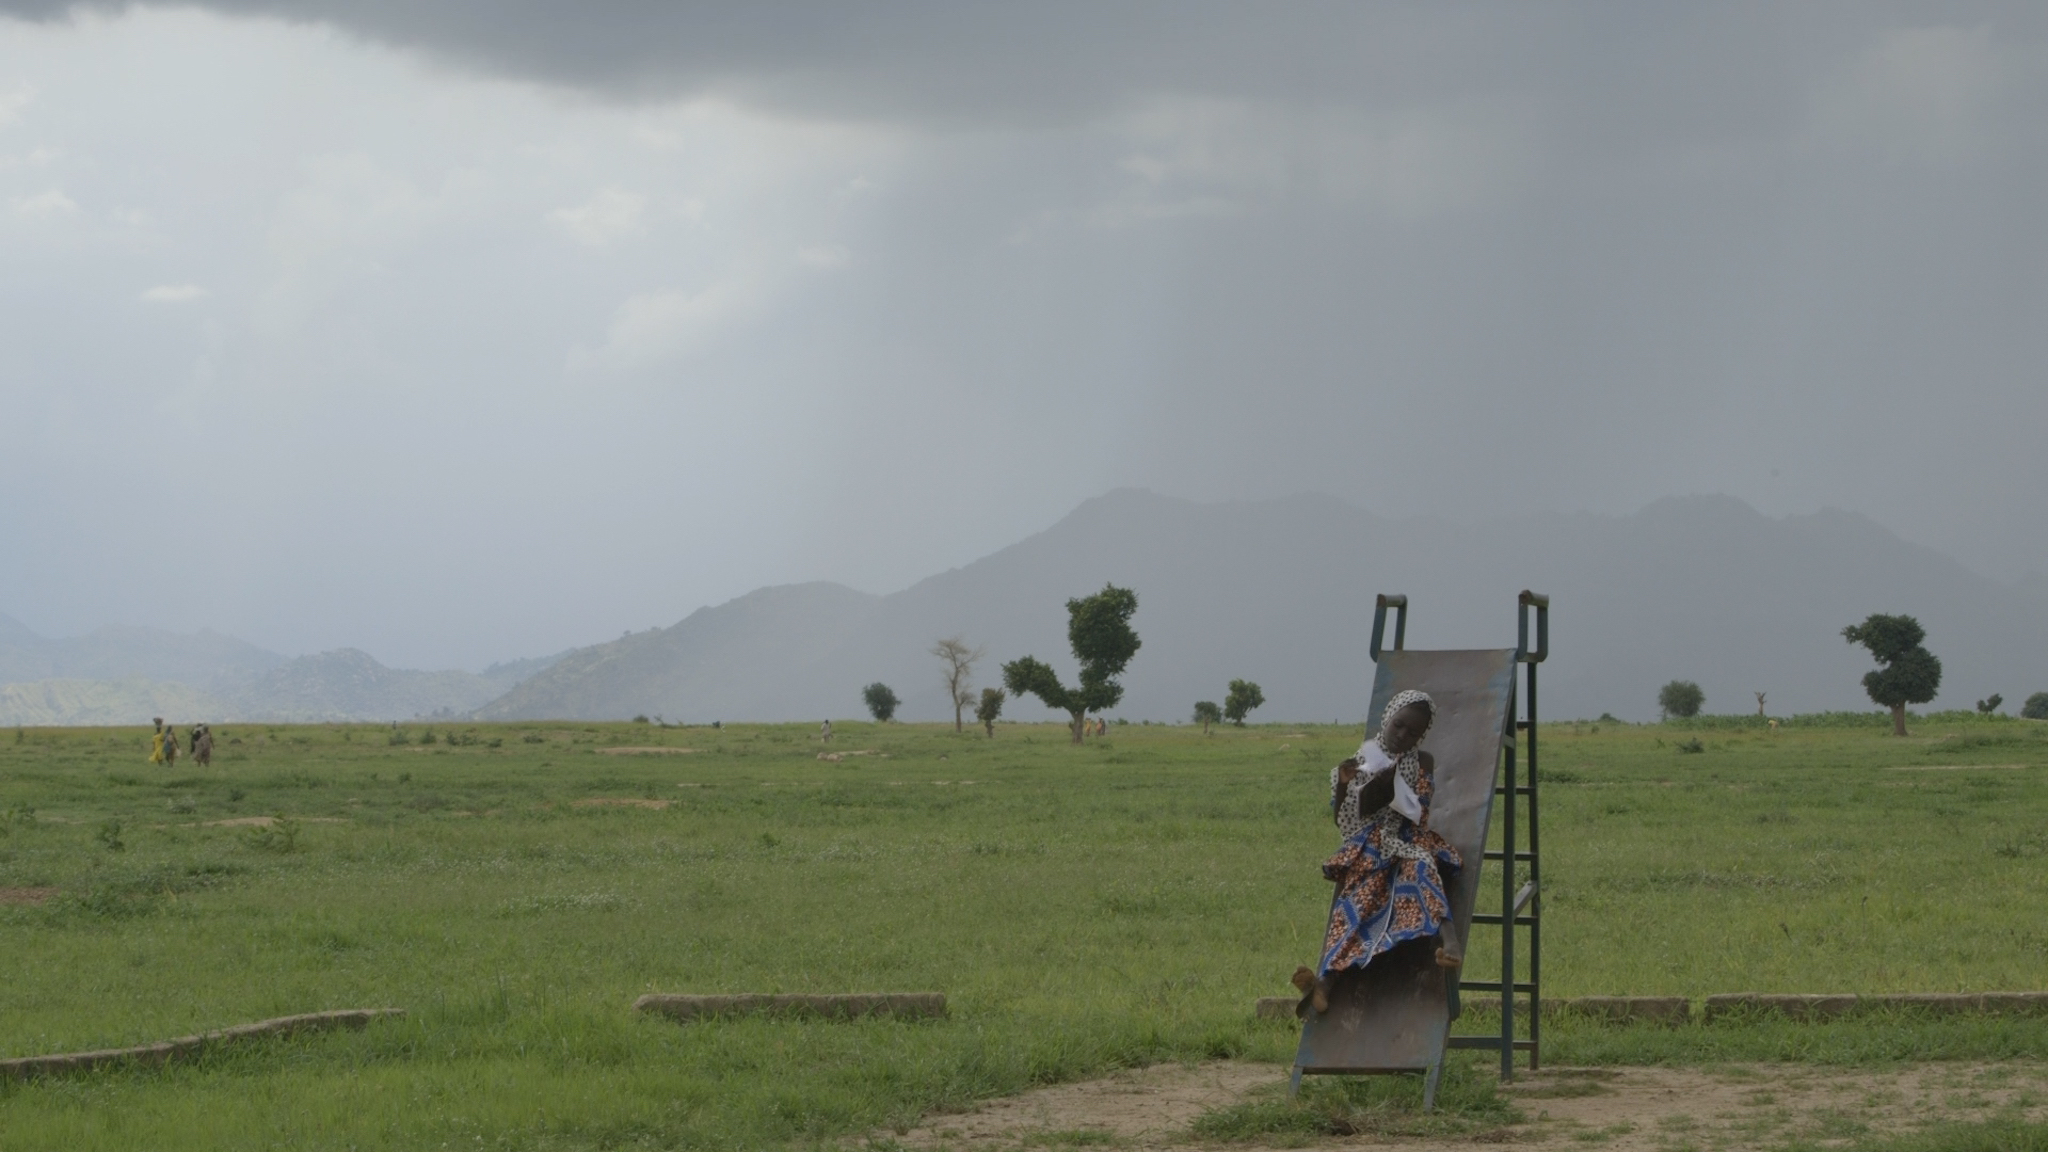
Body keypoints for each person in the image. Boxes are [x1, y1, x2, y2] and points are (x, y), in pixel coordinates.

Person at [1291, 689, 1462, 1014]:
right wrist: (1346, 784)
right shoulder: (1362, 759)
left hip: (1409, 839)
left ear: (1422, 735)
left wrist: (1394, 789)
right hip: (1371, 845)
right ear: (1388, 718)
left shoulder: (1422, 762)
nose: (1403, 736)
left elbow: (1420, 814)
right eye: (1399, 725)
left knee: (1422, 869)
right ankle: (1324, 984)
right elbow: (1344, 821)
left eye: (1413, 732)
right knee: (1357, 900)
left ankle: (1450, 941)